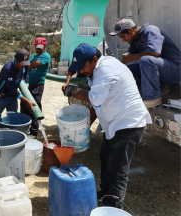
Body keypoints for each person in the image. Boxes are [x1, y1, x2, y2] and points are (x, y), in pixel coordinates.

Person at [70, 44, 151, 209]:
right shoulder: (96, 71)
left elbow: (93, 99)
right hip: (115, 124)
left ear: (94, 60)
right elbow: (97, 104)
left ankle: (114, 206)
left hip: (128, 124)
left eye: (83, 67)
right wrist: (86, 126)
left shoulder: (106, 68)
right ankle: (106, 193)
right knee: (106, 159)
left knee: (118, 168)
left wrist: (77, 93)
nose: (82, 71)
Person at [109, 19, 181, 107]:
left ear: (131, 30)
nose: (123, 40)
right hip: (160, 70)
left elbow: (154, 52)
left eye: (123, 36)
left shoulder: (150, 31)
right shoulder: (135, 40)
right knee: (127, 71)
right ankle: (160, 90)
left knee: (146, 60)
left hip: (175, 70)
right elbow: (129, 56)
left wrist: (132, 57)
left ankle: (153, 97)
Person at [0, 49, 35, 118]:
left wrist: (26, 83)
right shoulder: (8, 69)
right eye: (22, 64)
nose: (24, 66)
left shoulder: (24, 63)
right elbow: (12, 89)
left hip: (13, 96)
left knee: (14, 117)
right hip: (1, 96)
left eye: (25, 64)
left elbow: (26, 72)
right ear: (16, 59)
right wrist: (26, 101)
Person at [20, 37, 51, 139]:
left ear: (44, 47)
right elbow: (26, 63)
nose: (38, 50)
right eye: (36, 47)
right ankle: (24, 129)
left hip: (37, 86)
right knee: (24, 106)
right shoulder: (33, 55)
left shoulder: (45, 56)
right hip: (27, 86)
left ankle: (34, 132)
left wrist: (20, 63)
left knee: (34, 108)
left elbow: (30, 65)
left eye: (40, 48)